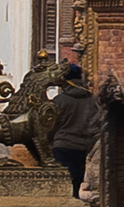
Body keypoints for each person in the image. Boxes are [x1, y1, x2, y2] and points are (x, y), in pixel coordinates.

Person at [43, 56, 104, 198]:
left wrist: (48, 142)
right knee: (76, 180)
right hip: (83, 147)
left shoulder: (60, 101)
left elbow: (51, 125)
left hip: (62, 145)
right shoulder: (93, 101)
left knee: (61, 182)